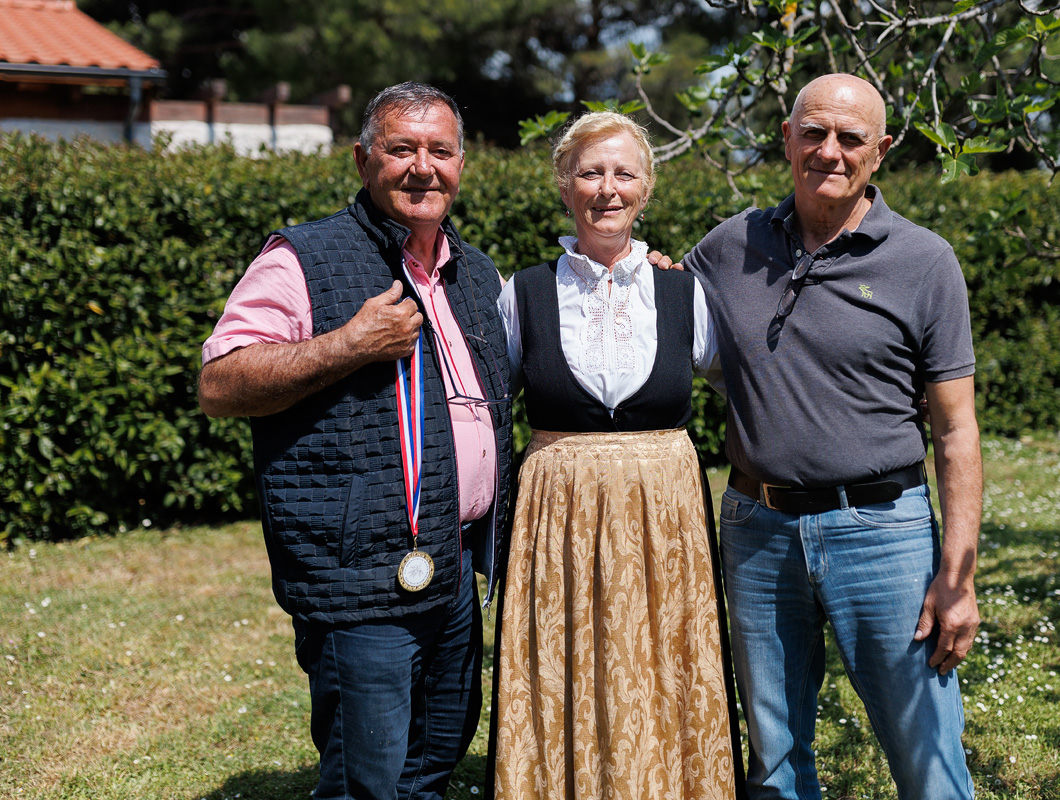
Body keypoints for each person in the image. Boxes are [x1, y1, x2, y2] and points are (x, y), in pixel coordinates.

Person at [198, 82, 513, 800]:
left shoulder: (475, 273)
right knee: (366, 778)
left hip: (455, 564)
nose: (422, 168)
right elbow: (220, 383)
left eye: (440, 150)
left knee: (433, 761)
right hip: (360, 572)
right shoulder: (303, 257)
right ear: (362, 160)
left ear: (462, 163)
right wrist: (346, 345)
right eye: (401, 149)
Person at [679, 74, 983, 799]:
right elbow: (661, 309)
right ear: (786, 139)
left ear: (879, 152)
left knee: (925, 755)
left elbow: (957, 429)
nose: (830, 151)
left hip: (884, 532)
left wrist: (959, 578)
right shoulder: (729, 247)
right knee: (775, 760)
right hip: (759, 530)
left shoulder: (924, 261)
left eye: (851, 138)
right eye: (813, 132)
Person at [490, 111, 744, 800]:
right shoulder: (524, 293)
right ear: (564, 186)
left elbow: (753, 381)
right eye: (590, 172)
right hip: (557, 515)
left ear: (646, 187)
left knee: (664, 659)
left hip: (665, 519)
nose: (608, 188)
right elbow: (483, 402)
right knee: (565, 662)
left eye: (624, 173)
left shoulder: (685, 292)